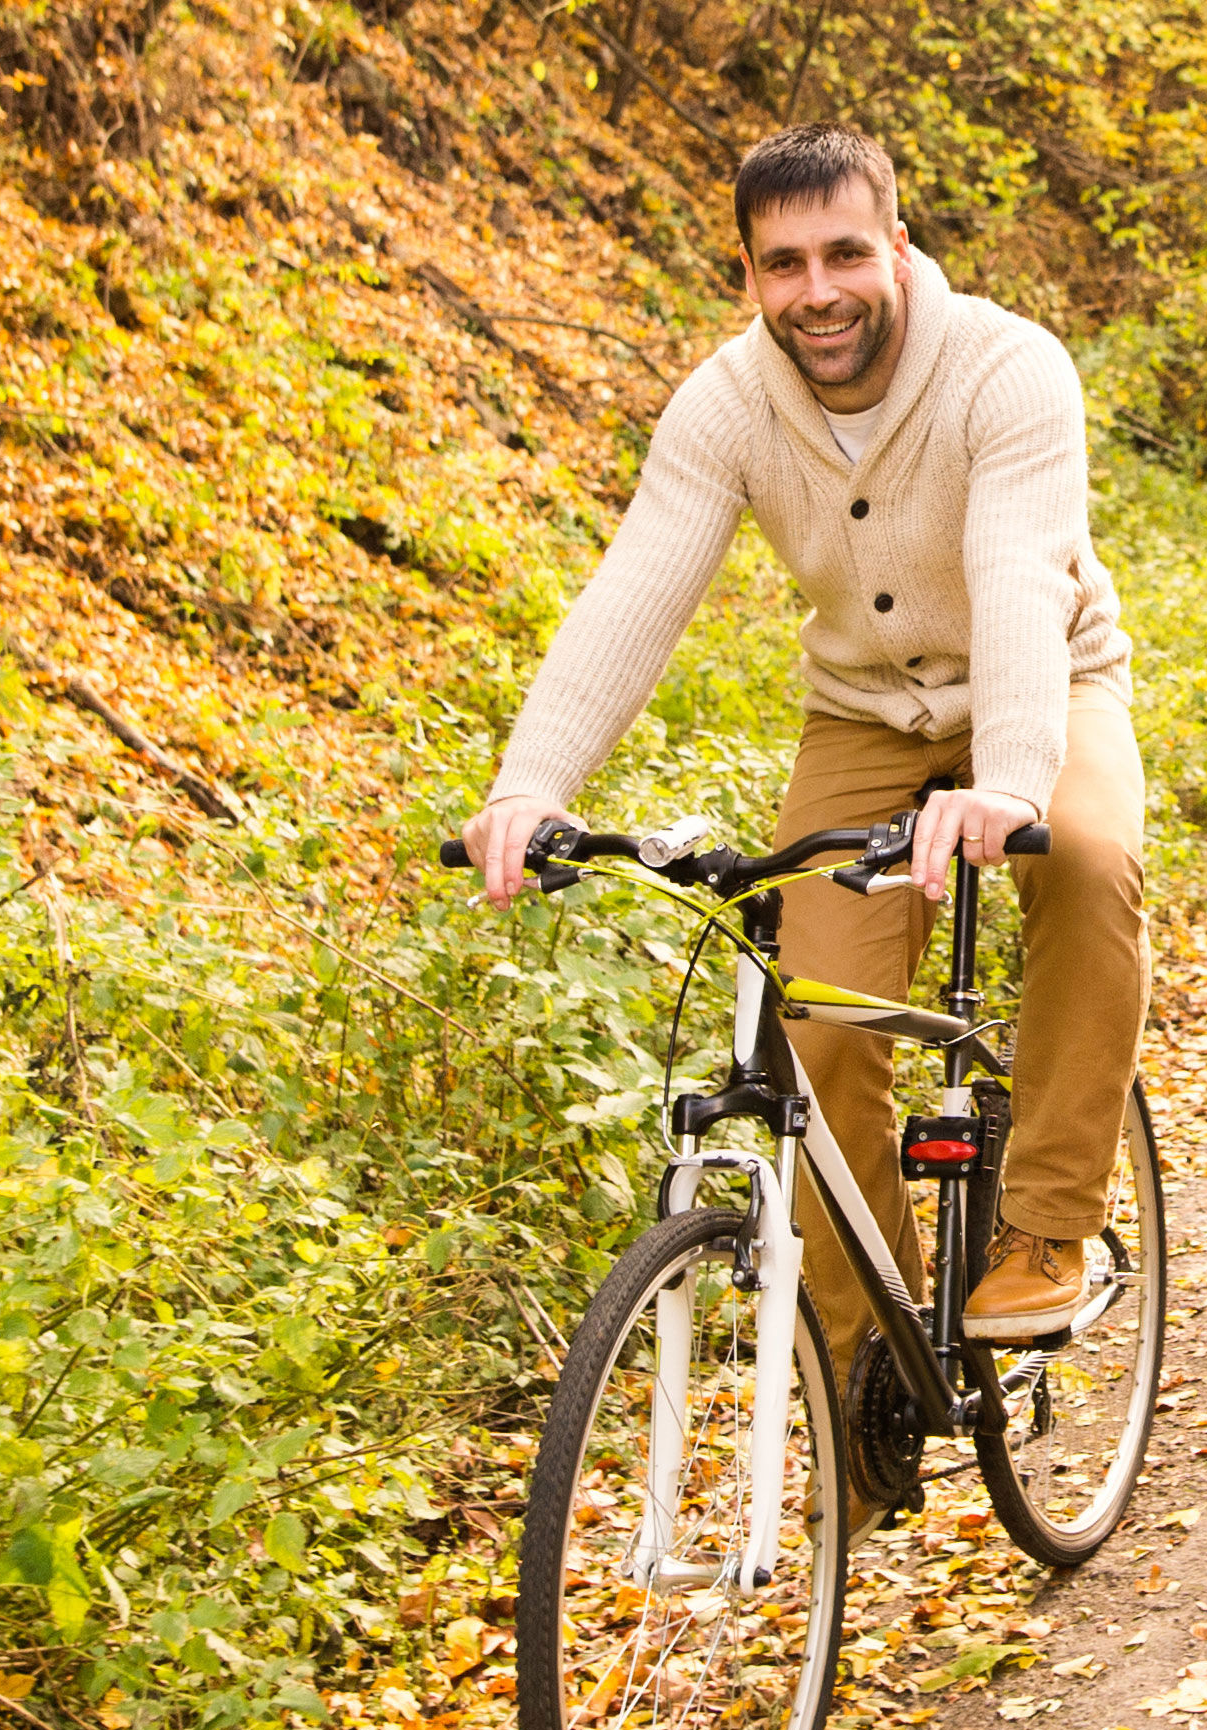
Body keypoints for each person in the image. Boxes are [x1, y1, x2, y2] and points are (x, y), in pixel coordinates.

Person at [456, 124, 1145, 1384]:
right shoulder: (725, 404)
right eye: (783, 265)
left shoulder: (1007, 369)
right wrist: (530, 784)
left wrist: (1009, 774)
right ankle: (871, 1357)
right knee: (815, 1027)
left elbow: (1013, 572)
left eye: (841, 253)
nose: (816, 292)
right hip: (861, 716)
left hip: (1046, 680)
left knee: (1088, 859)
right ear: (750, 274)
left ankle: (1049, 1225)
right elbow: (634, 594)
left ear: (895, 244)